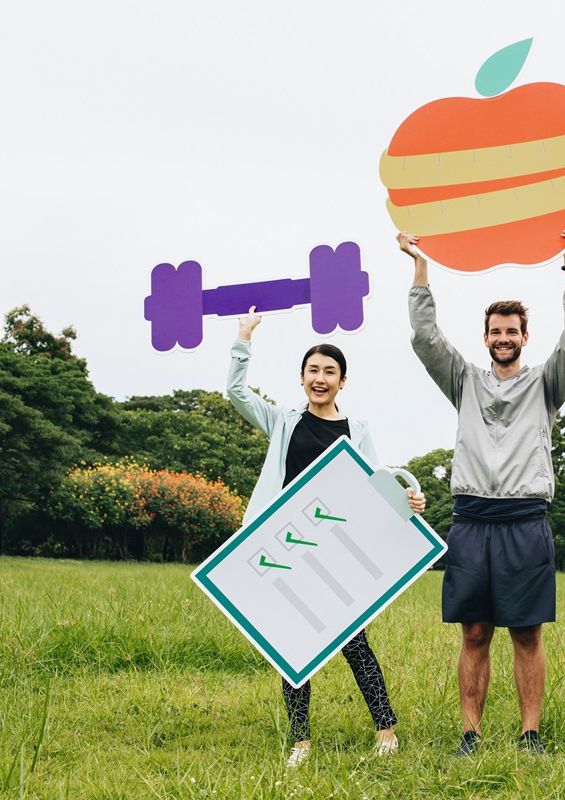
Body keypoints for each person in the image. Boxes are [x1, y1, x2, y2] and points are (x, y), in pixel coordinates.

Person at [399, 229, 565, 756]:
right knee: (475, 633)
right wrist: (421, 270)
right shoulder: (463, 380)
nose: (503, 337)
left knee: (527, 634)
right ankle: (470, 733)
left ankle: (530, 735)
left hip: (525, 521)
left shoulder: (547, 384)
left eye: (512, 330)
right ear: (485, 338)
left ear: (524, 337)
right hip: (471, 520)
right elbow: (425, 339)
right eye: (495, 331)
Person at [227, 307, 426, 767]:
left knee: (355, 644)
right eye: (313, 370)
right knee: (290, 648)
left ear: (342, 381)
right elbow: (236, 392)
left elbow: (377, 488)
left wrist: (409, 502)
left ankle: (386, 730)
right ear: (301, 378)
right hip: (284, 550)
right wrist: (244, 337)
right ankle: (300, 742)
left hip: (336, 554)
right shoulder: (282, 422)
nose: (321, 378)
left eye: (330, 372)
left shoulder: (357, 431)